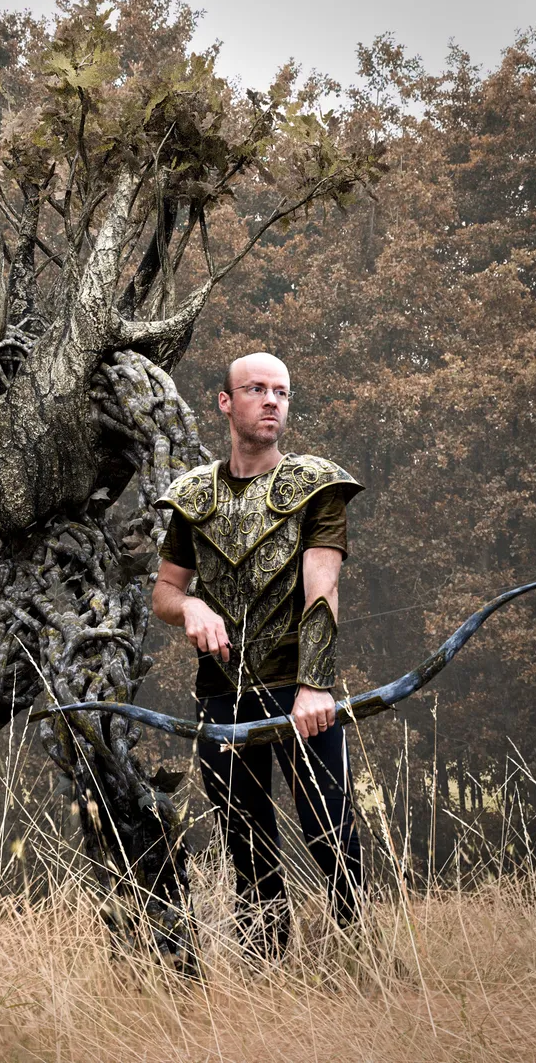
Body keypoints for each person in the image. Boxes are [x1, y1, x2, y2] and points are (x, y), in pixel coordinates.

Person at [152, 352, 364, 952]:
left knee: (332, 832)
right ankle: (265, 970)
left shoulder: (316, 486)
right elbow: (164, 591)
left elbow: (322, 592)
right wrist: (191, 607)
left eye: (282, 392)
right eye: (257, 389)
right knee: (246, 844)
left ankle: (358, 955)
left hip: (301, 692)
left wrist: (315, 686)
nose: (273, 401)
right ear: (226, 402)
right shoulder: (193, 496)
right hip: (222, 697)